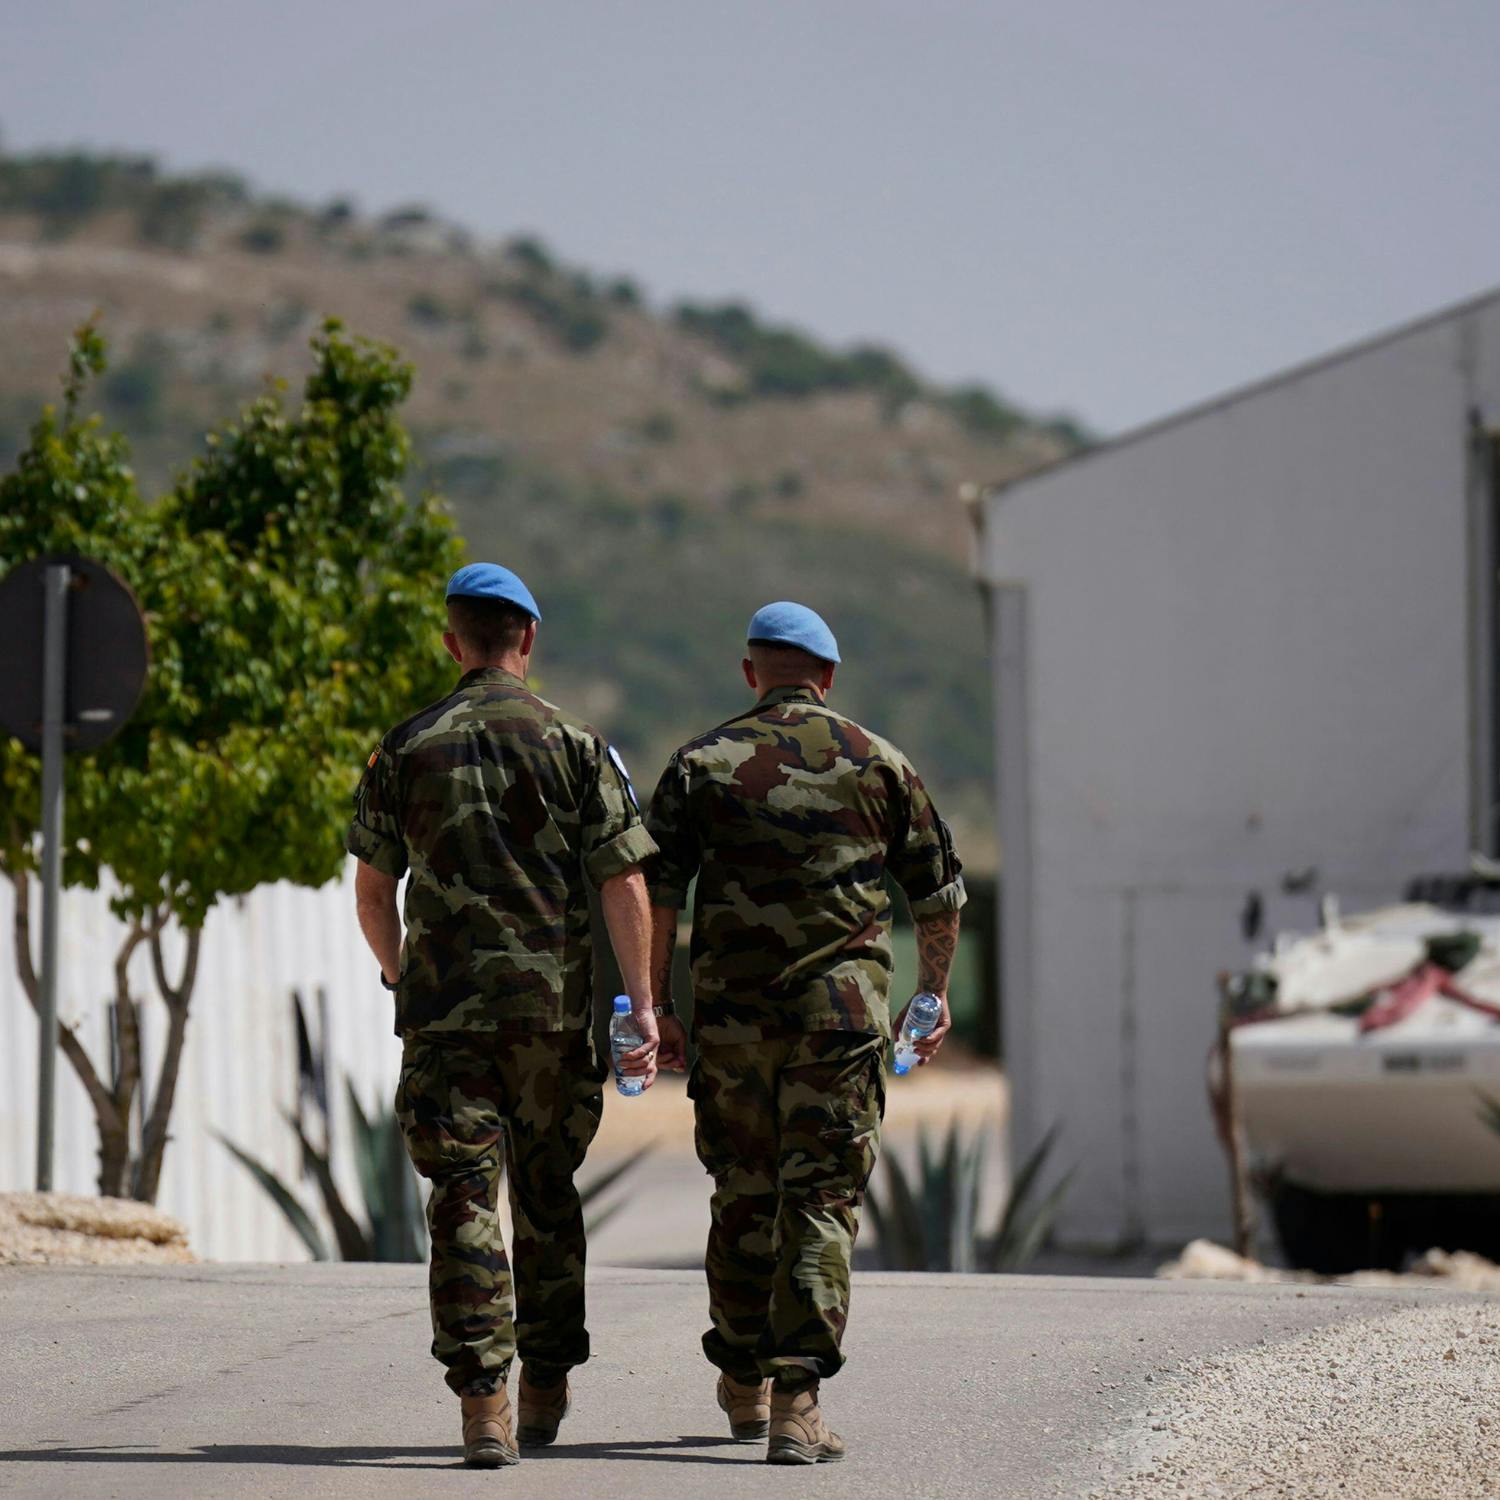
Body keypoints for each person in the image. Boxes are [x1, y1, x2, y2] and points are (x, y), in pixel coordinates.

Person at [347, 562, 662, 1468]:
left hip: (445, 1024)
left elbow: (372, 894)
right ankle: (546, 1389)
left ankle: (482, 1403)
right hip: (551, 1023)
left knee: (461, 1204)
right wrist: (640, 1005)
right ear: (527, 638)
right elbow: (624, 880)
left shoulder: (404, 748)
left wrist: (404, 977)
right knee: (549, 1199)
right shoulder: (577, 746)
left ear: (453, 642)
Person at [644, 600, 965, 1465]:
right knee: (819, 1202)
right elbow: (936, 898)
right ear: (828, 678)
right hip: (840, 1028)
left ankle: (743, 1379)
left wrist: (654, 1006)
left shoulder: (700, 765)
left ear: (753, 673)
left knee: (743, 1194)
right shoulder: (879, 763)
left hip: (734, 1029)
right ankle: (796, 1401)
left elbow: (656, 894)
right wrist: (928, 1000)